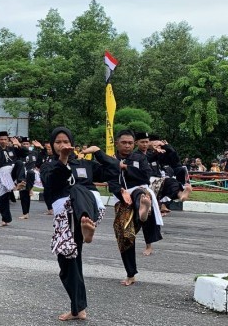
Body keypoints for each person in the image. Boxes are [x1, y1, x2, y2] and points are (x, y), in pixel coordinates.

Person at [43, 127, 110, 322]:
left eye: (66, 141)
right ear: (52, 145)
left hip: (84, 212)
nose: (62, 145)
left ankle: (85, 226)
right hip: (64, 216)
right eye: (58, 142)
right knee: (68, 262)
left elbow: (110, 171)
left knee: (78, 189)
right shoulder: (49, 165)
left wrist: (98, 152)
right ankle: (78, 308)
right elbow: (51, 183)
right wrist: (62, 160)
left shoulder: (84, 164)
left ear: (72, 143)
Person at [109, 129, 163, 285]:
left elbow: (146, 176)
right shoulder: (111, 160)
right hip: (123, 200)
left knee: (140, 194)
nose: (127, 146)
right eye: (124, 143)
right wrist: (120, 192)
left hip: (140, 193)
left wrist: (127, 168)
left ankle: (142, 212)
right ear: (117, 143)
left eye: (130, 143)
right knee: (125, 235)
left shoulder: (140, 157)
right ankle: (130, 274)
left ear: (134, 144)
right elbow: (111, 181)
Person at [0, 131, 28, 227]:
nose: (3, 141)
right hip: (3, 173)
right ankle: (5, 219)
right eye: (1, 139)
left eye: (5, 139)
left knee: (20, 163)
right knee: (3, 197)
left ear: (8, 140)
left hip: (12, 170)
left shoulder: (12, 148)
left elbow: (25, 153)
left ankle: (20, 182)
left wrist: (19, 144)